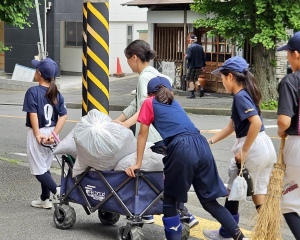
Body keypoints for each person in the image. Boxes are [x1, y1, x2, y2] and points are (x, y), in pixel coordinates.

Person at [125, 76, 248, 240]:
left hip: (182, 147)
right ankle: (241, 237)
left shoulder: (149, 102)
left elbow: (142, 134)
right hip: (202, 145)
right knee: (209, 201)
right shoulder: (175, 102)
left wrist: (137, 163)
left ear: (149, 93)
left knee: (170, 200)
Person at [114, 39, 198, 227]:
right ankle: (149, 213)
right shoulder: (155, 75)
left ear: (134, 57)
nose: (128, 63)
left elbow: (144, 107)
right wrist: (118, 121)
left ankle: (183, 213)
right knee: (157, 175)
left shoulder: (145, 77)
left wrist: (126, 124)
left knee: (145, 174)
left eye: (128, 59)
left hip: (152, 136)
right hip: (163, 135)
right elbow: (135, 104)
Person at [202, 56, 276, 240]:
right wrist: (209, 141)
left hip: (252, 147)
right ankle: (270, 233)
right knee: (259, 191)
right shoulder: (248, 94)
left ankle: (227, 233)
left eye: (222, 77)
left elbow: (256, 123)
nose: (222, 81)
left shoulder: (241, 97)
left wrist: (244, 150)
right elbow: (231, 127)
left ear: (230, 77)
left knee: (233, 192)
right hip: (265, 146)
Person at [22, 57, 68, 209]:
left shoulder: (32, 91)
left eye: (36, 69)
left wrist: (37, 134)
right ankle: (44, 198)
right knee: (45, 166)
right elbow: (63, 115)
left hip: (39, 132)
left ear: (39, 73)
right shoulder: (57, 93)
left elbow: (33, 114)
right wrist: (54, 134)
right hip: (52, 133)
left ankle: (57, 191)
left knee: (38, 170)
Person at [276, 31, 300, 239]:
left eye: (289, 54)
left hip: (298, 147)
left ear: (297, 55)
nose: (287, 58)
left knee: (290, 202)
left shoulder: (291, 81)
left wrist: (281, 130)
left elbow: (285, 121)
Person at [185, 35, 206, 99]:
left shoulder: (190, 47)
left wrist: (185, 56)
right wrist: (203, 65)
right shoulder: (200, 47)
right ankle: (201, 88)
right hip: (199, 65)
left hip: (192, 65)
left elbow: (188, 57)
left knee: (190, 79)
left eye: (190, 40)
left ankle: (192, 94)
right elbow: (203, 57)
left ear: (192, 40)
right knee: (195, 79)